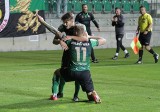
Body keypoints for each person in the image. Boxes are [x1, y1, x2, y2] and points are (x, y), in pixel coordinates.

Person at [52, 24, 106, 103]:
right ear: (84, 32)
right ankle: (93, 94)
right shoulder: (90, 42)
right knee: (90, 94)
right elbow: (103, 40)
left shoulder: (69, 41)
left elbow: (54, 41)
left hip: (72, 72)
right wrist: (89, 37)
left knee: (56, 73)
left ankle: (54, 95)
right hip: (85, 73)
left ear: (76, 32)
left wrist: (59, 40)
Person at [51, 12, 88, 101]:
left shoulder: (80, 27)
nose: (64, 24)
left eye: (66, 22)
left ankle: (76, 95)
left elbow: (86, 38)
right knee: (62, 73)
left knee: (77, 75)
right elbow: (54, 41)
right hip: (66, 54)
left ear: (72, 20)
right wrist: (60, 41)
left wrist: (70, 37)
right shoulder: (62, 27)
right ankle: (60, 93)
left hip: (76, 55)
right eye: (64, 22)